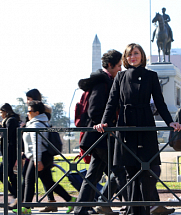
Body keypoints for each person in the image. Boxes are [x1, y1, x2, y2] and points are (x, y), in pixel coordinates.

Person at [95, 43, 181, 215]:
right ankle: (133, 211)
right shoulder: (120, 76)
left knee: (147, 171)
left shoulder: (151, 76)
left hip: (145, 125)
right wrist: (104, 122)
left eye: (135, 53)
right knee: (130, 173)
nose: (132, 57)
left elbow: (159, 102)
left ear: (141, 55)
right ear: (125, 59)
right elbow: (111, 102)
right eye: (129, 55)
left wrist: (170, 122)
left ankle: (144, 211)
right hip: (125, 126)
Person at [73, 49, 126, 215]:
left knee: (94, 174)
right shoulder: (102, 83)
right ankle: (135, 205)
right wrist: (107, 125)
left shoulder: (103, 81)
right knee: (119, 170)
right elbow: (95, 110)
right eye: (118, 66)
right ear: (110, 66)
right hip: (101, 136)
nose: (120, 69)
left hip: (98, 137)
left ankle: (82, 208)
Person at [13, 101, 76, 214]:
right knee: (49, 182)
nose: (27, 113)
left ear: (37, 112)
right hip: (43, 156)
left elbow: (37, 143)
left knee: (29, 180)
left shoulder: (36, 124)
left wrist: (38, 160)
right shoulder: (39, 122)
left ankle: (26, 207)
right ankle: (70, 200)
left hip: (39, 156)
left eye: (29, 111)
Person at [0, 103, 20, 209]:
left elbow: (7, 134)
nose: (0, 115)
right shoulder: (9, 120)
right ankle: (18, 196)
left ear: (6, 112)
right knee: (10, 174)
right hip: (8, 151)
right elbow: (6, 137)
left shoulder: (11, 120)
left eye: (1, 112)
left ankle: (17, 196)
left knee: (2, 174)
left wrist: (0, 127)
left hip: (10, 152)